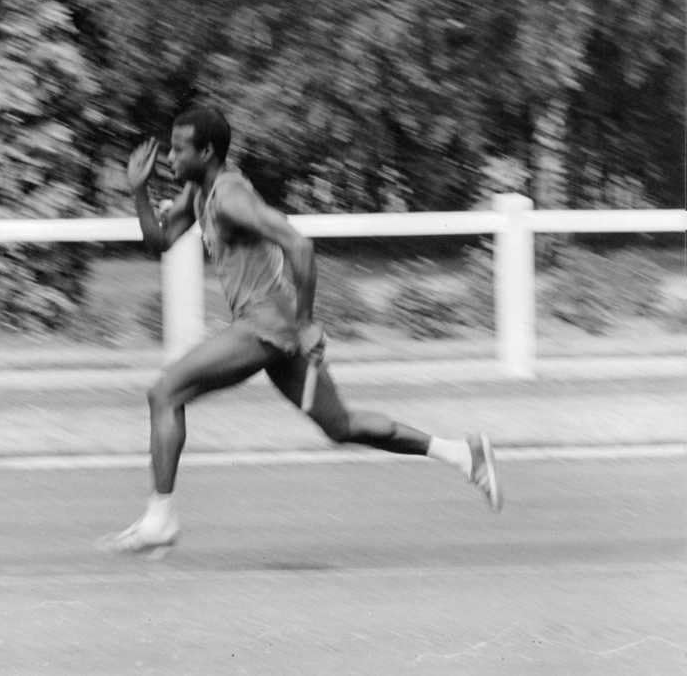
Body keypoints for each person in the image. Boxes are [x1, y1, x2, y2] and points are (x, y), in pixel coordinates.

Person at [98, 106, 502, 554]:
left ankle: (160, 519)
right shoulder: (199, 191)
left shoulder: (231, 196)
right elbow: (161, 242)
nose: (169, 158)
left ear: (207, 151)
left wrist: (306, 324)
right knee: (341, 425)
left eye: (178, 149)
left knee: (165, 394)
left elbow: (298, 243)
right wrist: (138, 191)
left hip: (266, 326)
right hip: (273, 329)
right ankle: (463, 453)